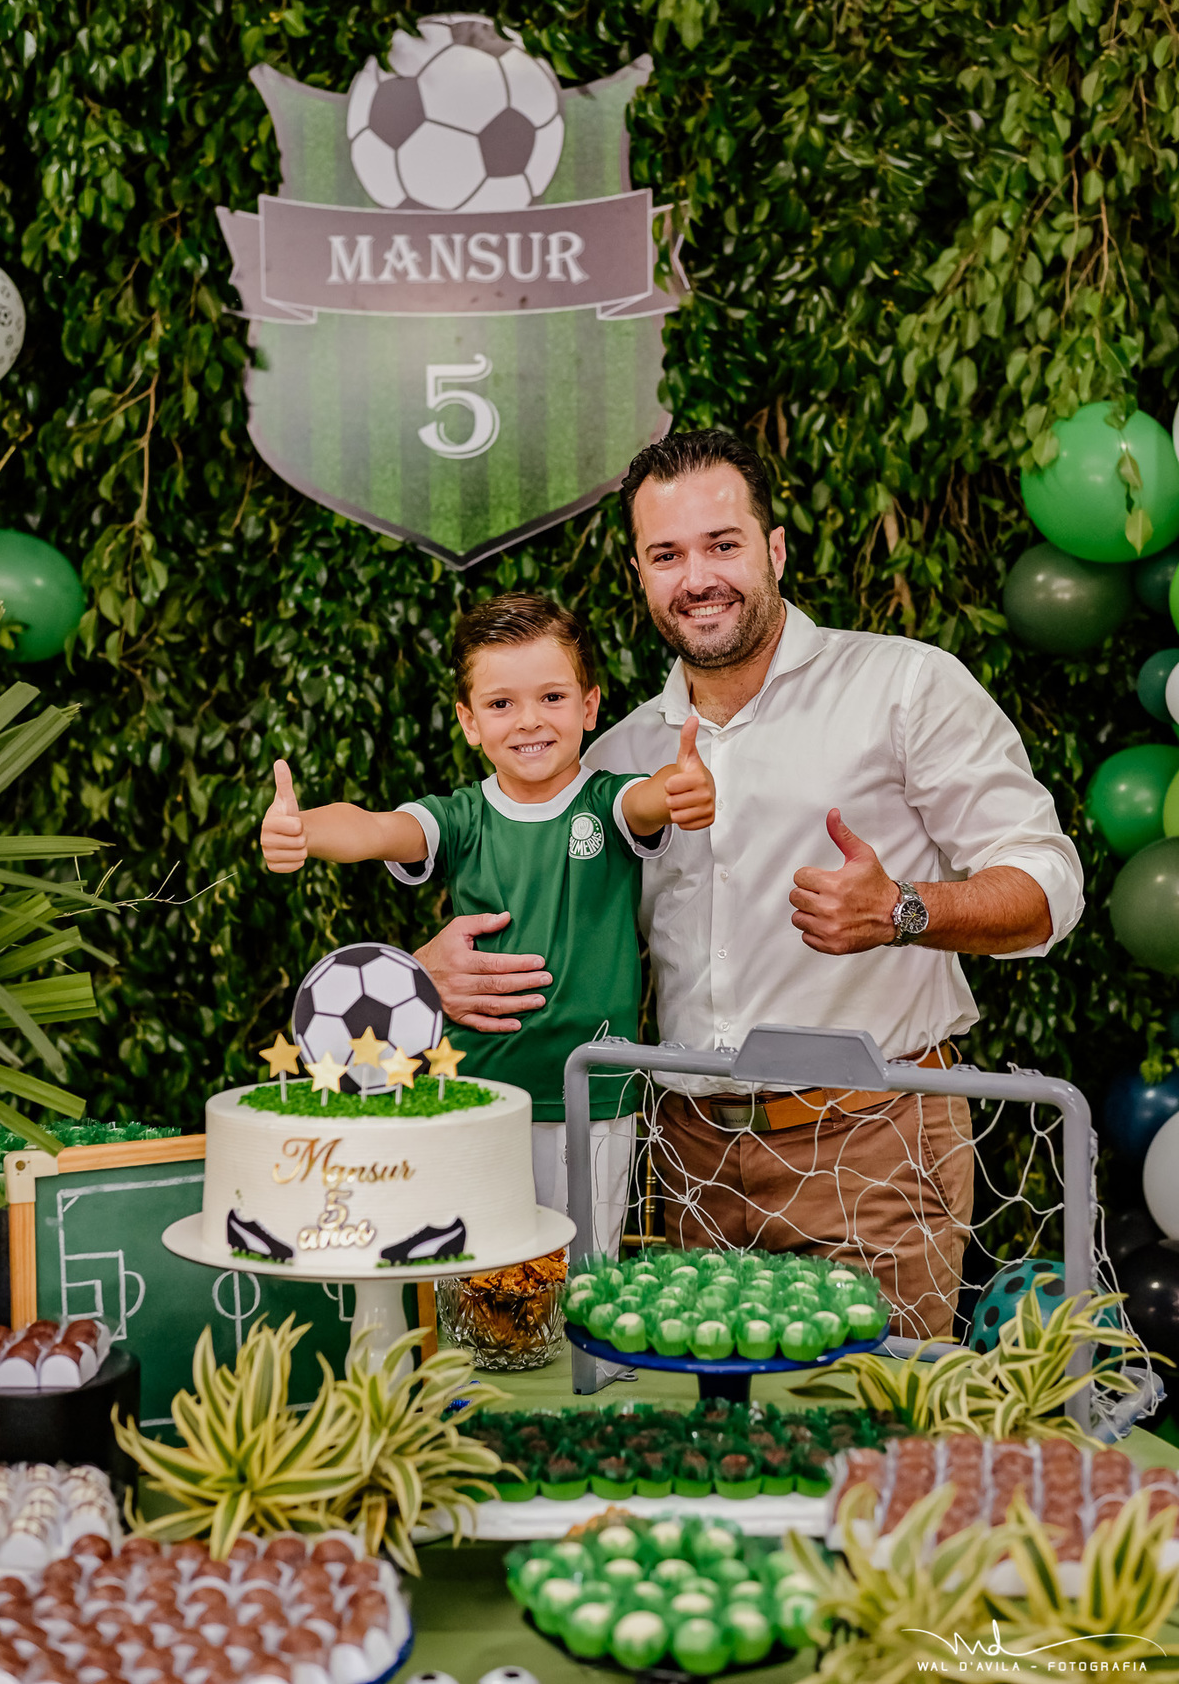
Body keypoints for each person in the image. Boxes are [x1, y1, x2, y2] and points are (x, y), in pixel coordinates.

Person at [416, 430, 1085, 1339]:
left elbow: (1050, 884)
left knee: (870, 1438)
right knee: (718, 1441)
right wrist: (433, 973)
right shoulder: (612, 765)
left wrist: (904, 912)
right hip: (687, 1156)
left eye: (723, 545)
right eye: (668, 555)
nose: (698, 577)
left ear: (774, 549)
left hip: (871, 1142)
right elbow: (547, 938)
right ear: (641, 574)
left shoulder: (901, 686)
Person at [258, 591, 716, 1255]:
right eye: (502, 704)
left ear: (589, 706)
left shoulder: (606, 802)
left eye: (552, 698)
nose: (529, 721)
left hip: (595, 1102)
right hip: (475, 1093)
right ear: (470, 722)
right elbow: (376, 827)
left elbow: (649, 799)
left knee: (582, 1279)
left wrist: (679, 789)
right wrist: (303, 830)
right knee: (481, 1273)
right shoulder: (462, 818)